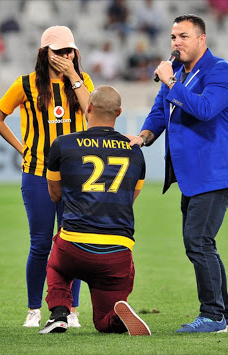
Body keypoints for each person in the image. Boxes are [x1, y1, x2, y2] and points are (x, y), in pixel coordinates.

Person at [127, 14, 228, 333]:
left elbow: (204, 109)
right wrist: (144, 136)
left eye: (183, 36)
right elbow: (158, 113)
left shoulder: (219, 71)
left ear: (202, 39)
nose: (176, 43)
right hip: (192, 176)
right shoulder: (176, 73)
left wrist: (171, 83)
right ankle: (226, 313)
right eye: (173, 37)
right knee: (203, 242)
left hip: (216, 173)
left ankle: (212, 315)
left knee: (197, 241)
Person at [0, 25, 94, 328]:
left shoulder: (82, 80)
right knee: (40, 243)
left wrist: (74, 76)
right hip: (36, 172)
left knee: (72, 242)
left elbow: (92, 112)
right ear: (44, 53)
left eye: (69, 50)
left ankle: (71, 309)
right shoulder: (25, 84)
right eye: (58, 51)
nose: (65, 56)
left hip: (74, 174)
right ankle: (34, 308)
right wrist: (21, 148)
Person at [39, 86, 150, 336]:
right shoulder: (134, 151)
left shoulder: (64, 144)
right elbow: (130, 198)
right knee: (103, 322)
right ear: (119, 113)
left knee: (56, 266)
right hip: (118, 251)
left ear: (87, 108)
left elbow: (55, 194)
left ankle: (59, 313)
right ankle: (117, 317)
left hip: (74, 245)